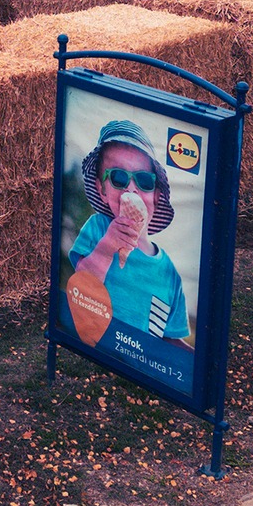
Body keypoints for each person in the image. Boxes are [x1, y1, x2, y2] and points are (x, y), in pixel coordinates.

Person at [68, 119, 189, 344]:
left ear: (156, 195)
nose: (131, 188)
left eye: (144, 180)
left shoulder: (170, 274)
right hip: (101, 345)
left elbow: (171, 340)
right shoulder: (98, 227)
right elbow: (81, 283)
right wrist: (107, 247)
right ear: (102, 190)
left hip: (141, 356)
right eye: (118, 177)